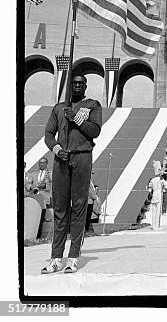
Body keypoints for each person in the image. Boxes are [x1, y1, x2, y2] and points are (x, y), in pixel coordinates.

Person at [41, 74, 102, 274]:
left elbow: (95, 131)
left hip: (82, 157)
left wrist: (75, 118)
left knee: (78, 207)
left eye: (80, 83)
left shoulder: (93, 105)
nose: (76, 86)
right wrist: (56, 148)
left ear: (85, 86)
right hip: (62, 158)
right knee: (59, 208)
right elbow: (49, 134)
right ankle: (56, 257)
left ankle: (73, 256)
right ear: (69, 86)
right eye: (73, 83)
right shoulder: (59, 108)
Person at [29, 158, 53, 239]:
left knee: (43, 217)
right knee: (35, 216)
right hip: (35, 197)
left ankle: (40, 236)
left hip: (45, 198)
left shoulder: (50, 173)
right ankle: (35, 235)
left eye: (43, 163)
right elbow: (28, 183)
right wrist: (33, 187)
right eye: (40, 163)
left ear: (46, 164)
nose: (41, 164)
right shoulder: (33, 173)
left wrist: (45, 186)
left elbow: (52, 184)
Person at [148, 161, 167, 230]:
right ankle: (157, 226)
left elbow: (149, 188)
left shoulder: (152, 180)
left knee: (154, 211)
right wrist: (163, 189)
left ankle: (153, 226)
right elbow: (166, 186)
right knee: (158, 211)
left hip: (154, 195)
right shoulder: (161, 180)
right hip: (159, 195)